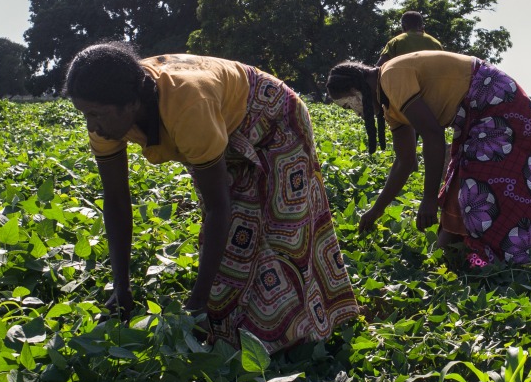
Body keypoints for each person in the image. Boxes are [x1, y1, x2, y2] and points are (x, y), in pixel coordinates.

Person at [65, 43, 359, 353]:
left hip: (271, 116)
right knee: (238, 240)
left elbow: (219, 207)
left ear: (130, 104)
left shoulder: (187, 104)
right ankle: (249, 333)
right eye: (85, 114)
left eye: (96, 114)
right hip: (220, 126)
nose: (91, 126)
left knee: (282, 227)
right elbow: (116, 201)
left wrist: (197, 302)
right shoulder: (105, 119)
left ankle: (301, 336)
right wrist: (121, 288)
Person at [326, 50, 531, 266]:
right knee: (465, 178)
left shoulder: (391, 76)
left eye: (349, 104)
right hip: (474, 113)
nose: (356, 112)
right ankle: (452, 254)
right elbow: (405, 162)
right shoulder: (390, 106)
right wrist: (376, 210)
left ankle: (501, 255)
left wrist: (429, 199)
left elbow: (433, 136)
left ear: (357, 89)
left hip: (491, 95)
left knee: (478, 181)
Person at [377, 11, 443, 65]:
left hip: (403, 80)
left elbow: (378, 67)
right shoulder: (436, 43)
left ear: (403, 26)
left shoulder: (396, 41)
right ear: (422, 26)